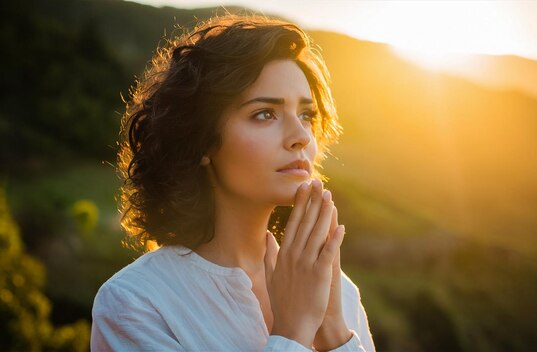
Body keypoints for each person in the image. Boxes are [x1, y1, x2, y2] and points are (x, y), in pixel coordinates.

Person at [91, 14, 375, 352]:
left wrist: (334, 333)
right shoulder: (137, 304)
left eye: (307, 115)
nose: (301, 136)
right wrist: (293, 332)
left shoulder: (336, 290)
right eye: (265, 114)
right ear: (203, 141)